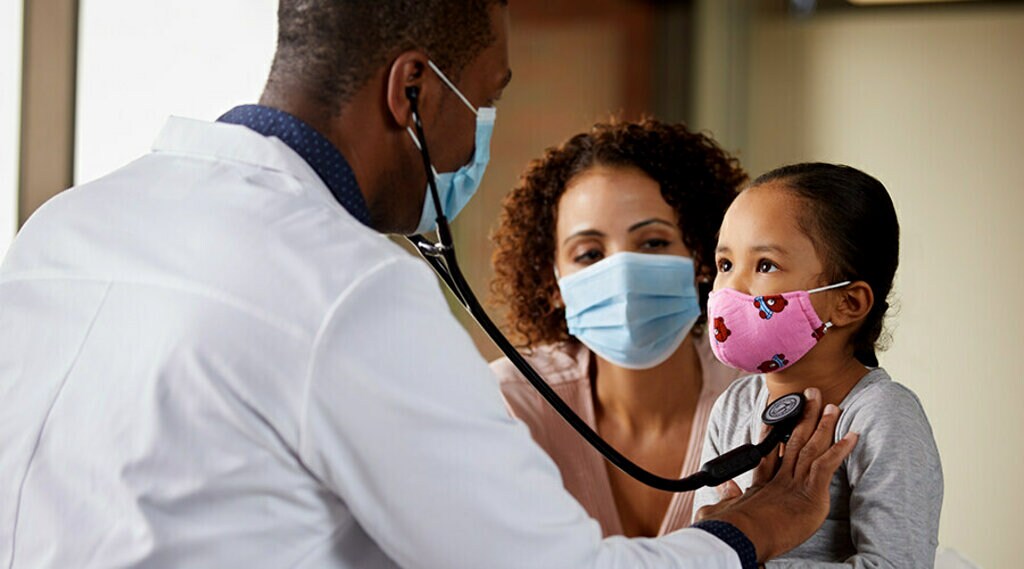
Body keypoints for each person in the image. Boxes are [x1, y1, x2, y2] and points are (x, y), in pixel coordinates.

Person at [0, 2, 855, 568]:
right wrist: (752, 527)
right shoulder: (349, 286)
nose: (473, 145)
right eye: (483, 101)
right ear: (412, 90)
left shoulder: (67, 224)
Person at [490, 119, 746, 537]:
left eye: (653, 243)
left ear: (703, 256)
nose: (622, 272)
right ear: (551, 280)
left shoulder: (761, 401)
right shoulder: (513, 404)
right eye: (589, 254)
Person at [694, 163, 943, 567]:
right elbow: (704, 554)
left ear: (848, 303)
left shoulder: (883, 415)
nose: (730, 290)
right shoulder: (734, 406)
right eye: (725, 265)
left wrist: (749, 555)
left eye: (765, 265)